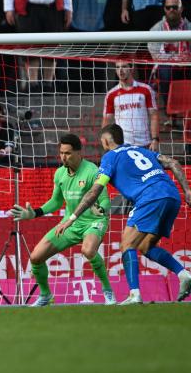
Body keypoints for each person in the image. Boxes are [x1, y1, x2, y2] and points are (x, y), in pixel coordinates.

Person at [55, 124, 191, 304]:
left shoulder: (109, 158)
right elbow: (173, 163)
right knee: (144, 246)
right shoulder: (142, 151)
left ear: (105, 141)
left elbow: (94, 192)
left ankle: (135, 295)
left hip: (149, 198)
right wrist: (188, 191)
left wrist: (71, 218)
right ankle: (184, 275)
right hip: (172, 196)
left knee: (127, 244)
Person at [10, 133, 116, 307]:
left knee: (88, 251)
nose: (63, 157)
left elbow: (104, 199)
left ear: (78, 153)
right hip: (70, 224)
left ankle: (108, 291)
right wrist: (34, 213)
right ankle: (45, 296)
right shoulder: (59, 174)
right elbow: (56, 202)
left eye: (67, 153)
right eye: (61, 153)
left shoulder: (92, 171)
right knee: (36, 257)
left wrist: (102, 209)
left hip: (93, 222)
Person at [4, 0, 73, 91]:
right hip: (28, 10)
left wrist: (68, 7)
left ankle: (47, 84)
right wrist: (9, 7)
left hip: (52, 9)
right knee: (30, 50)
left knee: (52, 49)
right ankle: (33, 85)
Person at [102, 61, 159, 150]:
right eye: (117, 67)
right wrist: (104, 139)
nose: (120, 70)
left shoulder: (146, 89)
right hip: (122, 145)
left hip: (144, 143)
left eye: (124, 66)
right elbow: (107, 120)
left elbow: (154, 115)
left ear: (131, 68)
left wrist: (155, 139)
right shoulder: (111, 94)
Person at [147, 0, 191, 113]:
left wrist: (186, 59)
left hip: (187, 65)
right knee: (165, 70)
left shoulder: (189, 27)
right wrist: (176, 60)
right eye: (168, 7)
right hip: (166, 67)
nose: (171, 9)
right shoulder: (156, 29)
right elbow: (156, 55)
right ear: (164, 10)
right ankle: (170, 110)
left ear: (181, 9)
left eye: (175, 7)